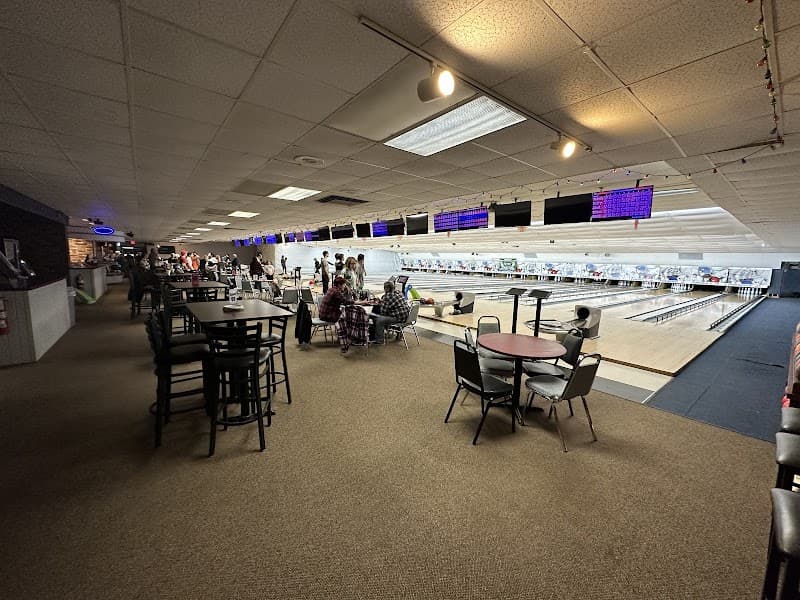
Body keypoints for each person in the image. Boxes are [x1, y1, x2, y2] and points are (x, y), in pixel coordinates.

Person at [372, 280, 410, 344]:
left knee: (379, 320)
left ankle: (379, 340)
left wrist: (380, 303)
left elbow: (383, 312)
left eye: (384, 288)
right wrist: (383, 302)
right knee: (382, 317)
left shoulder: (387, 296)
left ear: (387, 288)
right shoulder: (399, 293)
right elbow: (392, 303)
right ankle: (397, 334)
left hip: (398, 318)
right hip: (407, 317)